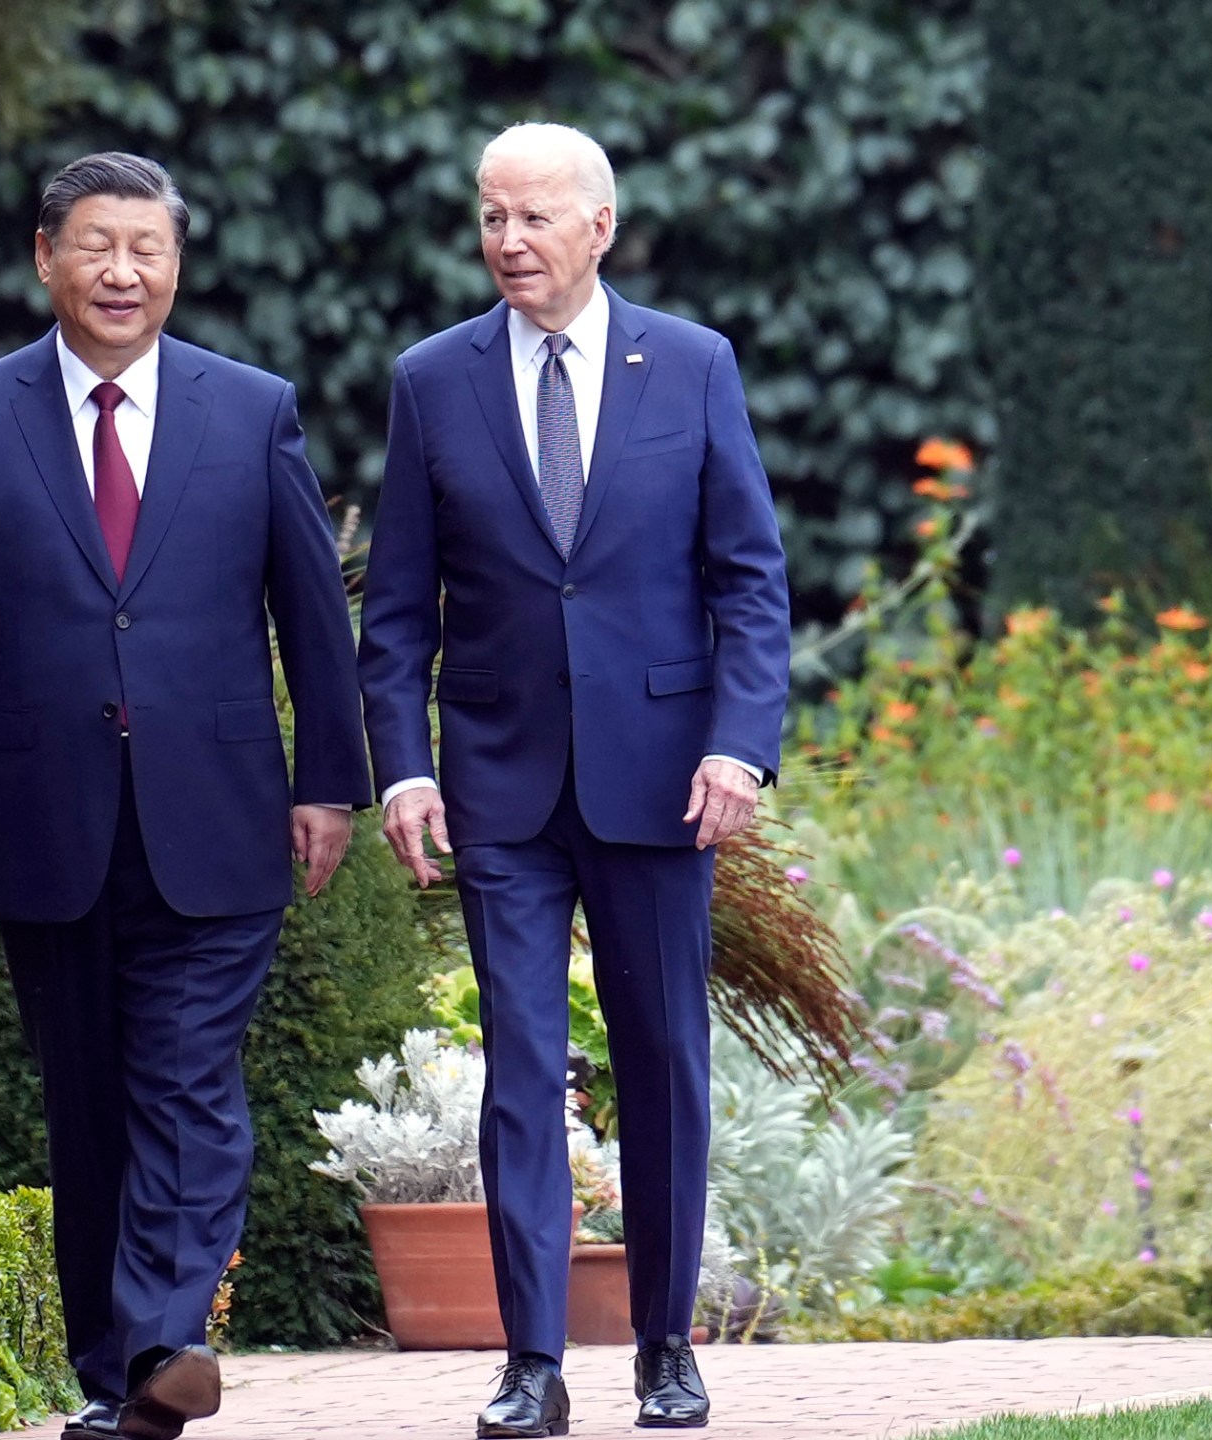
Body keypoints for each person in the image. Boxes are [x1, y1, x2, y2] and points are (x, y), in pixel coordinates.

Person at [0, 151, 369, 1440]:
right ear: (45, 256)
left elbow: (310, 613)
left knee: (190, 1080)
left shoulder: (250, 407)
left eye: (147, 248)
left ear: (176, 263)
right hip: (45, 819)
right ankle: (114, 1379)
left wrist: (332, 781)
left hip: (215, 813)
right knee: (88, 1101)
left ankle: (165, 1335)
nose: (123, 271)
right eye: (97, 245)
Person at [357, 121, 791, 1437]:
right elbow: (398, 613)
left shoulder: (694, 366)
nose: (509, 242)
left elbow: (750, 583)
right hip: (500, 784)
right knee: (522, 1066)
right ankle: (532, 1366)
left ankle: (665, 1348)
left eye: (535, 217)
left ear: (600, 226)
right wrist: (404, 770)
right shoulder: (433, 383)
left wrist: (739, 741)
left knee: (663, 1058)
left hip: (663, 782)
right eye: (492, 216)